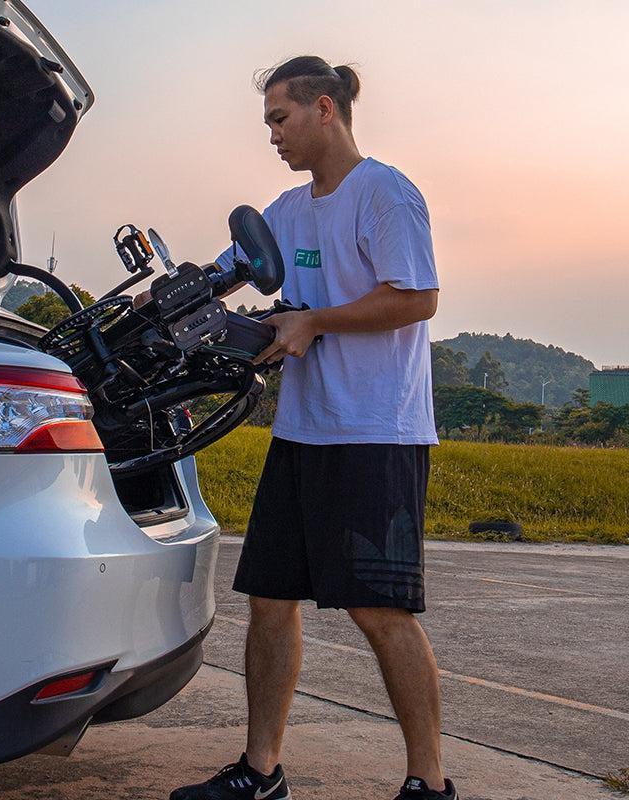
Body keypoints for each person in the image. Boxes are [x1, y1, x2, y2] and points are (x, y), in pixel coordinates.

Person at [171, 56, 456, 800]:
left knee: (379, 609)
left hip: (375, 431)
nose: (272, 135)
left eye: (279, 118)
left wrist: (314, 321)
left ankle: (429, 782)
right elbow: (232, 269)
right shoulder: (290, 209)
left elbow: (418, 298)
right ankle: (261, 771)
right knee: (269, 599)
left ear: (324, 109)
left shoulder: (384, 194)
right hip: (303, 432)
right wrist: (184, 301)